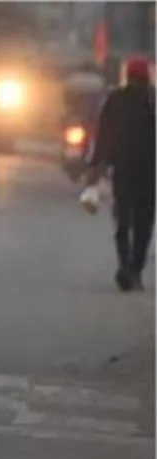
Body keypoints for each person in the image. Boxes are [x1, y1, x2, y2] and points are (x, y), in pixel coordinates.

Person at [87, 56, 156, 291]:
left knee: (124, 220)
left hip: (124, 169)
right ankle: (134, 269)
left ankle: (126, 266)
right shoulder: (153, 100)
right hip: (149, 172)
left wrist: (97, 165)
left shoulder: (116, 99)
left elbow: (104, 135)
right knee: (143, 224)